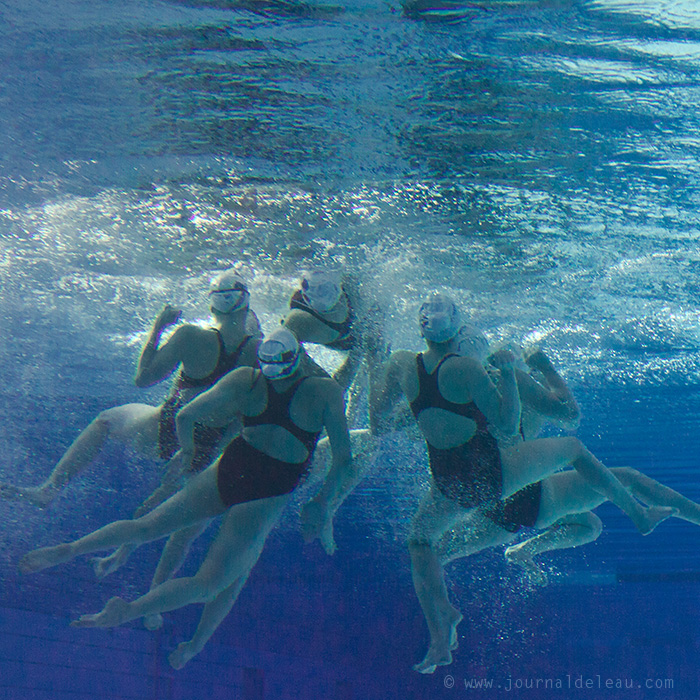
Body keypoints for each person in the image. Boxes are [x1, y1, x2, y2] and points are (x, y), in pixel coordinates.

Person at [368, 293, 675, 674]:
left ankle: (438, 630)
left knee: (420, 542)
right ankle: (639, 515)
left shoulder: (401, 365)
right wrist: (512, 373)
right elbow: (507, 425)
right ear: (461, 330)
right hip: (490, 480)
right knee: (574, 449)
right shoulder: (467, 369)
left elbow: (379, 422)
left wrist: (373, 366)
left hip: (448, 485)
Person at [19, 327, 356, 670]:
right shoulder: (324, 391)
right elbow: (344, 459)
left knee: (145, 527)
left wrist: (188, 449)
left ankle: (71, 549)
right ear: (298, 358)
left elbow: (185, 414)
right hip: (267, 490)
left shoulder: (247, 378)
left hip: (230, 466)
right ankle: (132, 610)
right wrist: (322, 502)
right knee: (211, 583)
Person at [437, 326, 700, 586]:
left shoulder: (443, 385)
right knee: (626, 479)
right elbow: (570, 415)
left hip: (480, 499)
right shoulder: (507, 377)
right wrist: (545, 365)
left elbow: (403, 423)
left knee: (434, 551)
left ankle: (524, 551)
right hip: (526, 497)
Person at [0, 269, 261, 508]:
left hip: (163, 432)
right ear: (246, 306)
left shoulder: (191, 335)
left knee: (106, 420)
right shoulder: (259, 351)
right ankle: (167, 495)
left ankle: (50, 489)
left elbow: (143, 379)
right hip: (208, 450)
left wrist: (158, 327)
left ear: (213, 303)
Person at [281, 268, 386, 426]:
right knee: (329, 390)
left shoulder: (356, 291)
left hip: (360, 330)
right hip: (341, 334)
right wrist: (328, 386)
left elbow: (367, 361)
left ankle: (363, 422)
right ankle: (349, 419)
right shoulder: (298, 321)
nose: (330, 312)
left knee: (374, 372)